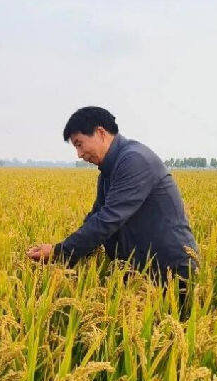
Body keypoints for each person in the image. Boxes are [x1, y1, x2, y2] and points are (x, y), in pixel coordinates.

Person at [27, 106, 199, 300]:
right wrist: (61, 253)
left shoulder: (134, 160)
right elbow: (96, 216)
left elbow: (108, 220)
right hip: (141, 271)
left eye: (79, 144)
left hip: (170, 273)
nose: (79, 154)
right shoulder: (108, 172)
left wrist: (60, 252)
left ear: (100, 133)